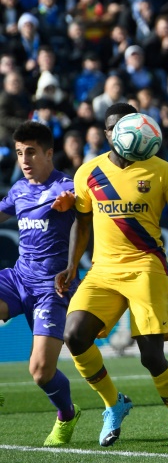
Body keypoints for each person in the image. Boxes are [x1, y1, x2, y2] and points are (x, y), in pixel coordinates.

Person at [54, 103, 168, 448]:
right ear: (107, 133)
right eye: (113, 126)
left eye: (128, 124)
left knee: (151, 356)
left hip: (146, 267)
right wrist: (73, 264)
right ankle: (113, 404)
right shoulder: (88, 173)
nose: (120, 130)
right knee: (73, 335)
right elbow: (82, 222)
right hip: (102, 270)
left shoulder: (163, 170)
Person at [0, 122, 80, 446]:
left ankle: (67, 415)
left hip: (53, 287)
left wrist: (72, 204)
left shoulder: (68, 187)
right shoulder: (19, 188)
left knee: (40, 372)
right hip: (19, 277)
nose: (24, 159)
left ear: (49, 153)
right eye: (19, 152)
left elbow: (87, 215)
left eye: (31, 151)